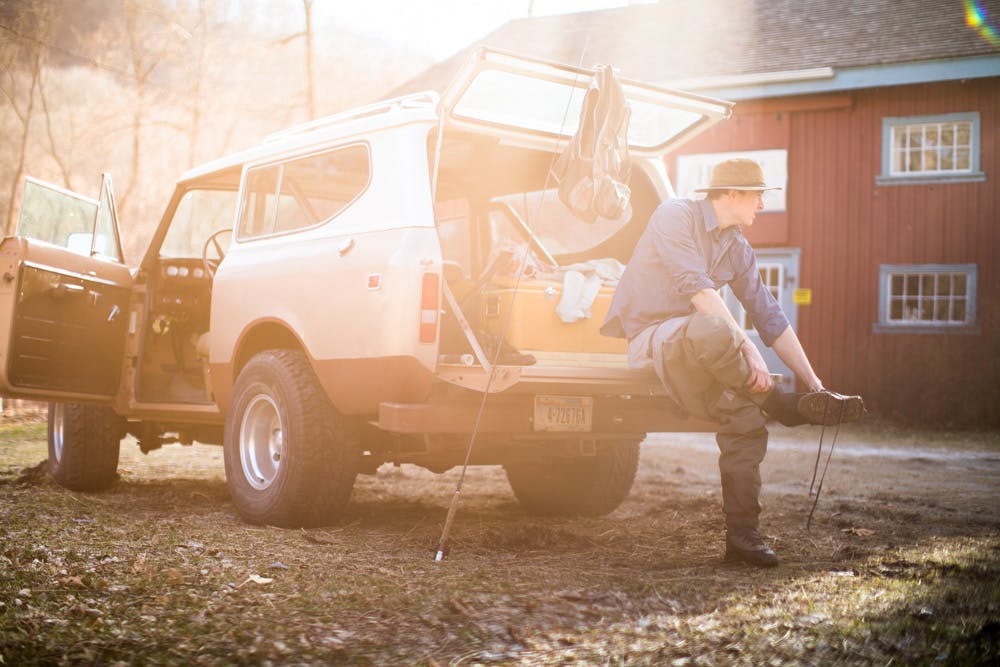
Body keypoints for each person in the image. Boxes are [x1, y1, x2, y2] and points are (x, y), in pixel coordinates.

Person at [600, 157, 863, 567]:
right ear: (732, 194)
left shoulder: (737, 248)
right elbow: (699, 292)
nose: (762, 204)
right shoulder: (675, 216)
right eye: (758, 195)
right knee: (711, 325)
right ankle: (779, 404)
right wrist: (750, 350)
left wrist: (814, 384)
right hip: (653, 339)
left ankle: (743, 537)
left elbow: (769, 315)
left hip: (705, 353)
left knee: (745, 418)